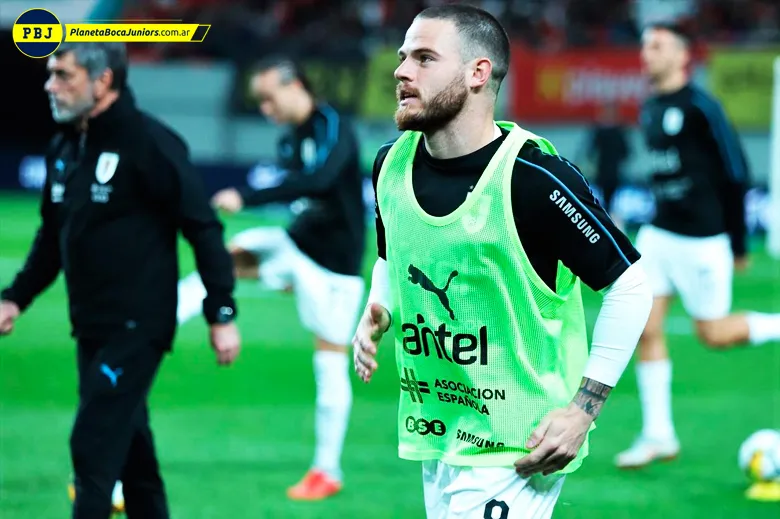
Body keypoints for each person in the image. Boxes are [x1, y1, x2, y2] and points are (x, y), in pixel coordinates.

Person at [352, 5, 653, 518]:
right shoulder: (390, 165)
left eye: (424, 58)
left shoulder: (534, 178)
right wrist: (377, 306)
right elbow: (389, 253)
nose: (401, 71)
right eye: (403, 57)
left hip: (520, 443)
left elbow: (630, 285)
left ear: (478, 72)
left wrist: (583, 411)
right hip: (439, 428)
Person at [0, 42, 241, 519]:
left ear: (103, 81)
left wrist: (221, 310)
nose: (50, 86)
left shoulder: (150, 142)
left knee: (93, 441)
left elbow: (203, 226)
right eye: (50, 74)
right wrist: (15, 298)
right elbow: (53, 236)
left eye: (63, 75)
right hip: (90, 324)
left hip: (138, 326)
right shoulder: (65, 146)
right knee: (133, 455)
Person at [176, 57, 366, 500]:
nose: (265, 109)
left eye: (268, 98)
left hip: (334, 268)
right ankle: (155, 324)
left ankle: (327, 471)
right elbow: (304, 195)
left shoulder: (333, 127)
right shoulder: (290, 140)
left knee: (330, 361)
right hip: (297, 245)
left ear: (295, 85)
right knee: (224, 260)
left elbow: (320, 181)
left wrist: (246, 196)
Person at [614, 22, 780, 470]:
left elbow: (736, 170)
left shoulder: (703, 107)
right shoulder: (650, 107)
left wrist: (738, 244)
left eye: (658, 46)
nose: (647, 53)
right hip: (657, 234)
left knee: (714, 335)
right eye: (645, 45)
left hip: (702, 240)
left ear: (682, 56)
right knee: (645, 328)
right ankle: (658, 436)